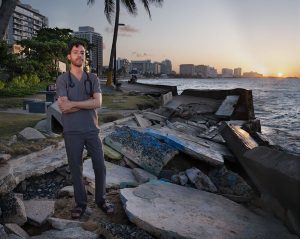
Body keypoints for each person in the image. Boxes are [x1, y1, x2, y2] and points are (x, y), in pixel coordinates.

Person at [56, 40, 114, 219]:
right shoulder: (63, 79)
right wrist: (86, 104)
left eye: (82, 52)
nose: (79, 55)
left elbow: (98, 102)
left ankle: (101, 199)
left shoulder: (93, 78)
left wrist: (74, 103)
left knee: (100, 165)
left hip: (91, 130)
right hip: (72, 131)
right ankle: (80, 204)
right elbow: (64, 108)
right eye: (76, 52)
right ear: (69, 56)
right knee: (76, 168)